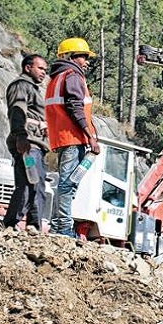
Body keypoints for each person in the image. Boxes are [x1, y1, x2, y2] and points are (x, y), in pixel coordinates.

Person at [45, 38, 100, 238]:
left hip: (62, 138)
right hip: (73, 137)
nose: (86, 61)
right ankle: (64, 229)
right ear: (70, 57)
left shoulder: (55, 78)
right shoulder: (73, 76)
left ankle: (59, 225)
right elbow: (76, 108)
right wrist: (90, 136)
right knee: (67, 184)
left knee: (66, 183)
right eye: (83, 56)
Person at [3, 54, 49, 234]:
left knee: (36, 184)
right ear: (27, 68)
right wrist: (21, 136)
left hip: (36, 144)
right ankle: (11, 223)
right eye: (40, 68)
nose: (44, 72)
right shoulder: (21, 86)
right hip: (28, 146)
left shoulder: (34, 89)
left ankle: (33, 225)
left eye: (45, 69)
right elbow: (17, 111)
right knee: (29, 183)